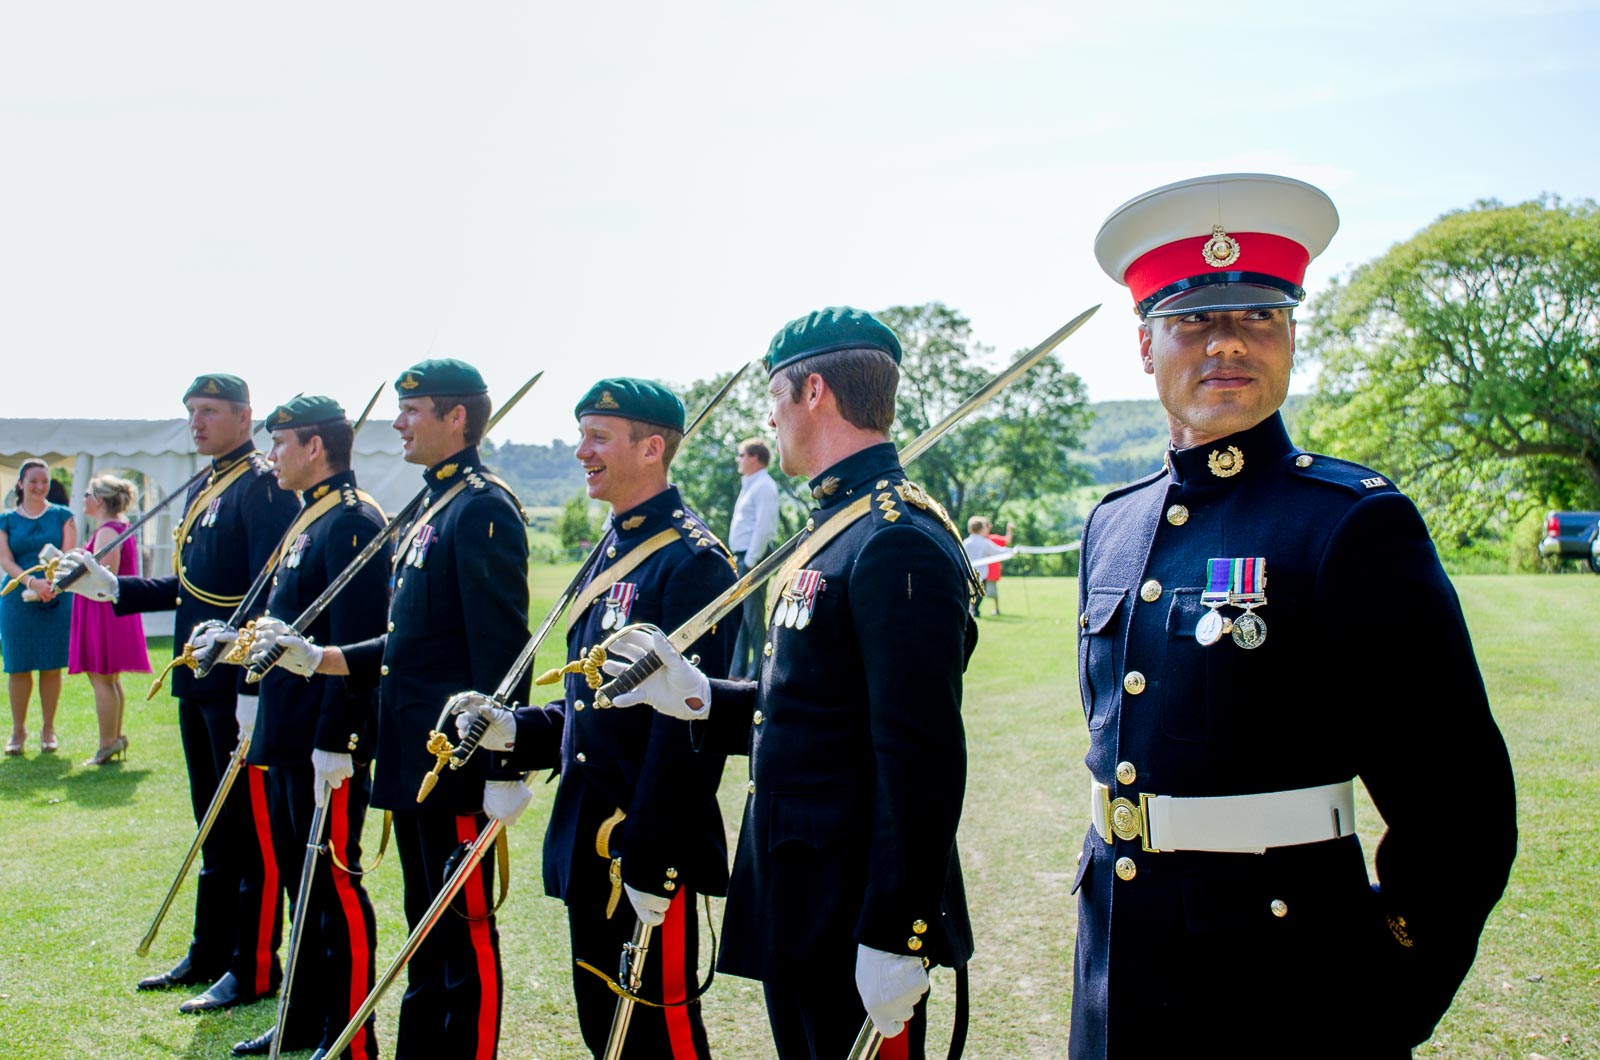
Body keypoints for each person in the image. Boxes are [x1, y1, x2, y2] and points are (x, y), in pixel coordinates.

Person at [1069, 173, 1518, 1058]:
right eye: (1194, 318)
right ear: (1144, 343)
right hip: (1118, 967)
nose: (1229, 341)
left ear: (1290, 336)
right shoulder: (1112, 525)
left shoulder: (1349, 522)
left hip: (1287, 987)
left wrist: (1387, 992)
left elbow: (1461, 814)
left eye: (1260, 316)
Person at [595, 308, 979, 1059]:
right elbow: (802, 712)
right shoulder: (832, 526)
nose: (768, 420)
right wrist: (696, 693)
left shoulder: (894, 536)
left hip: (858, 904)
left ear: (812, 392)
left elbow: (921, 754)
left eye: (772, 400)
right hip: (799, 890)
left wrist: (898, 930)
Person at [250, 359, 530, 1059]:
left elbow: (499, 651)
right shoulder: (432, 503)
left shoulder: (482, 506)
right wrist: (323, 659)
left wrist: (499, 764)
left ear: (456, 418)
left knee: (462, 929)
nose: (399, 424)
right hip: (409, 750)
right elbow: (409, 640)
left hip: (455, 759)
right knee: (423, 927)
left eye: (413, 411)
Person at [449, 378, 737, 1059]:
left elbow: (691, 732)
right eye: (581, 435)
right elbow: (592, 705)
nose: (582, 452)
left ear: (652, 447)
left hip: (640, 841)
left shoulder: (690, 561)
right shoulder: (612, 548)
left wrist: (656, 858)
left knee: (655, 1036)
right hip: (588, 834)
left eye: (599, 437)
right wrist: (518, 731)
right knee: (602, 1026)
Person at [55, 373, 297, 1012]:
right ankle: (211, 951)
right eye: (191, 411)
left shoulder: (263, 487)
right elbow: (193, 590)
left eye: (210, 411)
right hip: (196, 676)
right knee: (212, 827)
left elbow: (269, 598)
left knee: (245, 831)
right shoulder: (209, 483)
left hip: (235, 683)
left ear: (245, 417)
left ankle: (251, 966)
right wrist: (110, 587)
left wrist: (251, 683)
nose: (196, 422)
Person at [218, 396, 388, 1060]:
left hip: (323, 739)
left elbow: (356, 648)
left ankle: (347, 1036)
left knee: (333, 890)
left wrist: (335, 741)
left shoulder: (353, 522)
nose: (272, 455)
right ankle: (303, 1019)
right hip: (286, 732)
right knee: (301, 890)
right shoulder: (309, 519)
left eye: (282, 442)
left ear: (315, 446)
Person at [69, 473, 151, 765]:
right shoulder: (117, 527)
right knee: (109, 679)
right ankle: (113, 738)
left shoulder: (107, 531)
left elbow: (105, 574)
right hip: (109, 610)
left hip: (103, 612)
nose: (84, 501)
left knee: (102, 677)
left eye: (87, 495)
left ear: (99, 500)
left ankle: (107, 743)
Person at [1, 459, 77, 754]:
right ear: (20, 483)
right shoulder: (5, 519)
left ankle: (49, 728)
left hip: (55, 596)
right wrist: (32, 583)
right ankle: (17, 731)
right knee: (17, 666)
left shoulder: (63, 516)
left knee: (50, 665)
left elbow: (69, 555)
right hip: (16, 595)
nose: (39, 486)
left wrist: (52, 586)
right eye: (33, 480)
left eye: (44, 480)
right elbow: (6, 560)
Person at [727, 437, 780, 678]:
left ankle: (758, 671)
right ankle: (738, 671)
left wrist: (750, 561)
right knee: (743, 617)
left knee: (754, 617)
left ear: (754, 457)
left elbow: (765, 526)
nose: (738, 460)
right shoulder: (751, 484)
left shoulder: (764, 486)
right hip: (743, 557)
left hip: (752, 558)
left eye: (741, 455)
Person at [960, 517, 1005, 618]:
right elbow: (998, 551)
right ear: (981, 529)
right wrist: (1013, 551)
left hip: (968, 573)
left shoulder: (966, 542)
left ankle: (971, 610)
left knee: (969, 592)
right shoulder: (984, 543)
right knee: (979, 593)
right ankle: (974, 610)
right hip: (981, 574)